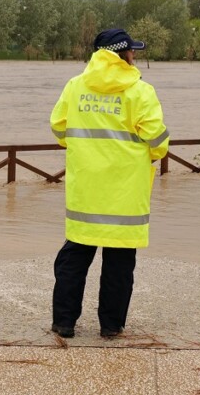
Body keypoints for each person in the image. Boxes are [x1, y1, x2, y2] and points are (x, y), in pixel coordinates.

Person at [48, 28, 169, 338]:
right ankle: (111, 327)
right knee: (119, 264)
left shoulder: (76, 86)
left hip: (85, 190)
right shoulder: (140, 91)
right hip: (125, 196)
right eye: (132, 51)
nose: (135, 56)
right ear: (123, 54)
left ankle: (64, 323)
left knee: (73, 259)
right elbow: (157, 142)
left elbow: (58, 128)